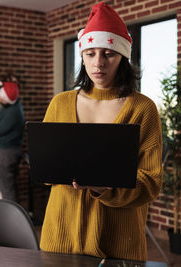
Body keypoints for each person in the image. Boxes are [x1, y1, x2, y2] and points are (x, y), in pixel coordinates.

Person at [39, 2, 162, 261]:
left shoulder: (143, 109)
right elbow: (46, 170)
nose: (98, 64)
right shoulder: (60, 104)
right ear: (82, 56)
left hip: (118, 240)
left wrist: (106, 187)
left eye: (108, 54)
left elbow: (151, 183)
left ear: (123, 57)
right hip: (61, 236)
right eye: (90, 53)